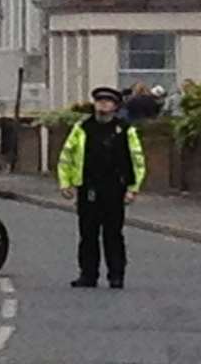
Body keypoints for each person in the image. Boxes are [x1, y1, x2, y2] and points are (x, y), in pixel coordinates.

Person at [56, 86, 147, 288]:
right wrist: (66, 183)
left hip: (115, 188)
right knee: (88, 234)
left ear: (115, 106)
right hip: (88, 187)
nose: (102, 105)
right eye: (99, 101)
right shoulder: (83, 128)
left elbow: (137, 160)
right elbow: (67, 156)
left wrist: (133, 188)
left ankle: (116, 275)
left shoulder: (125, 129)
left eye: (107, 102)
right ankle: (88, 275)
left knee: (113, 234)